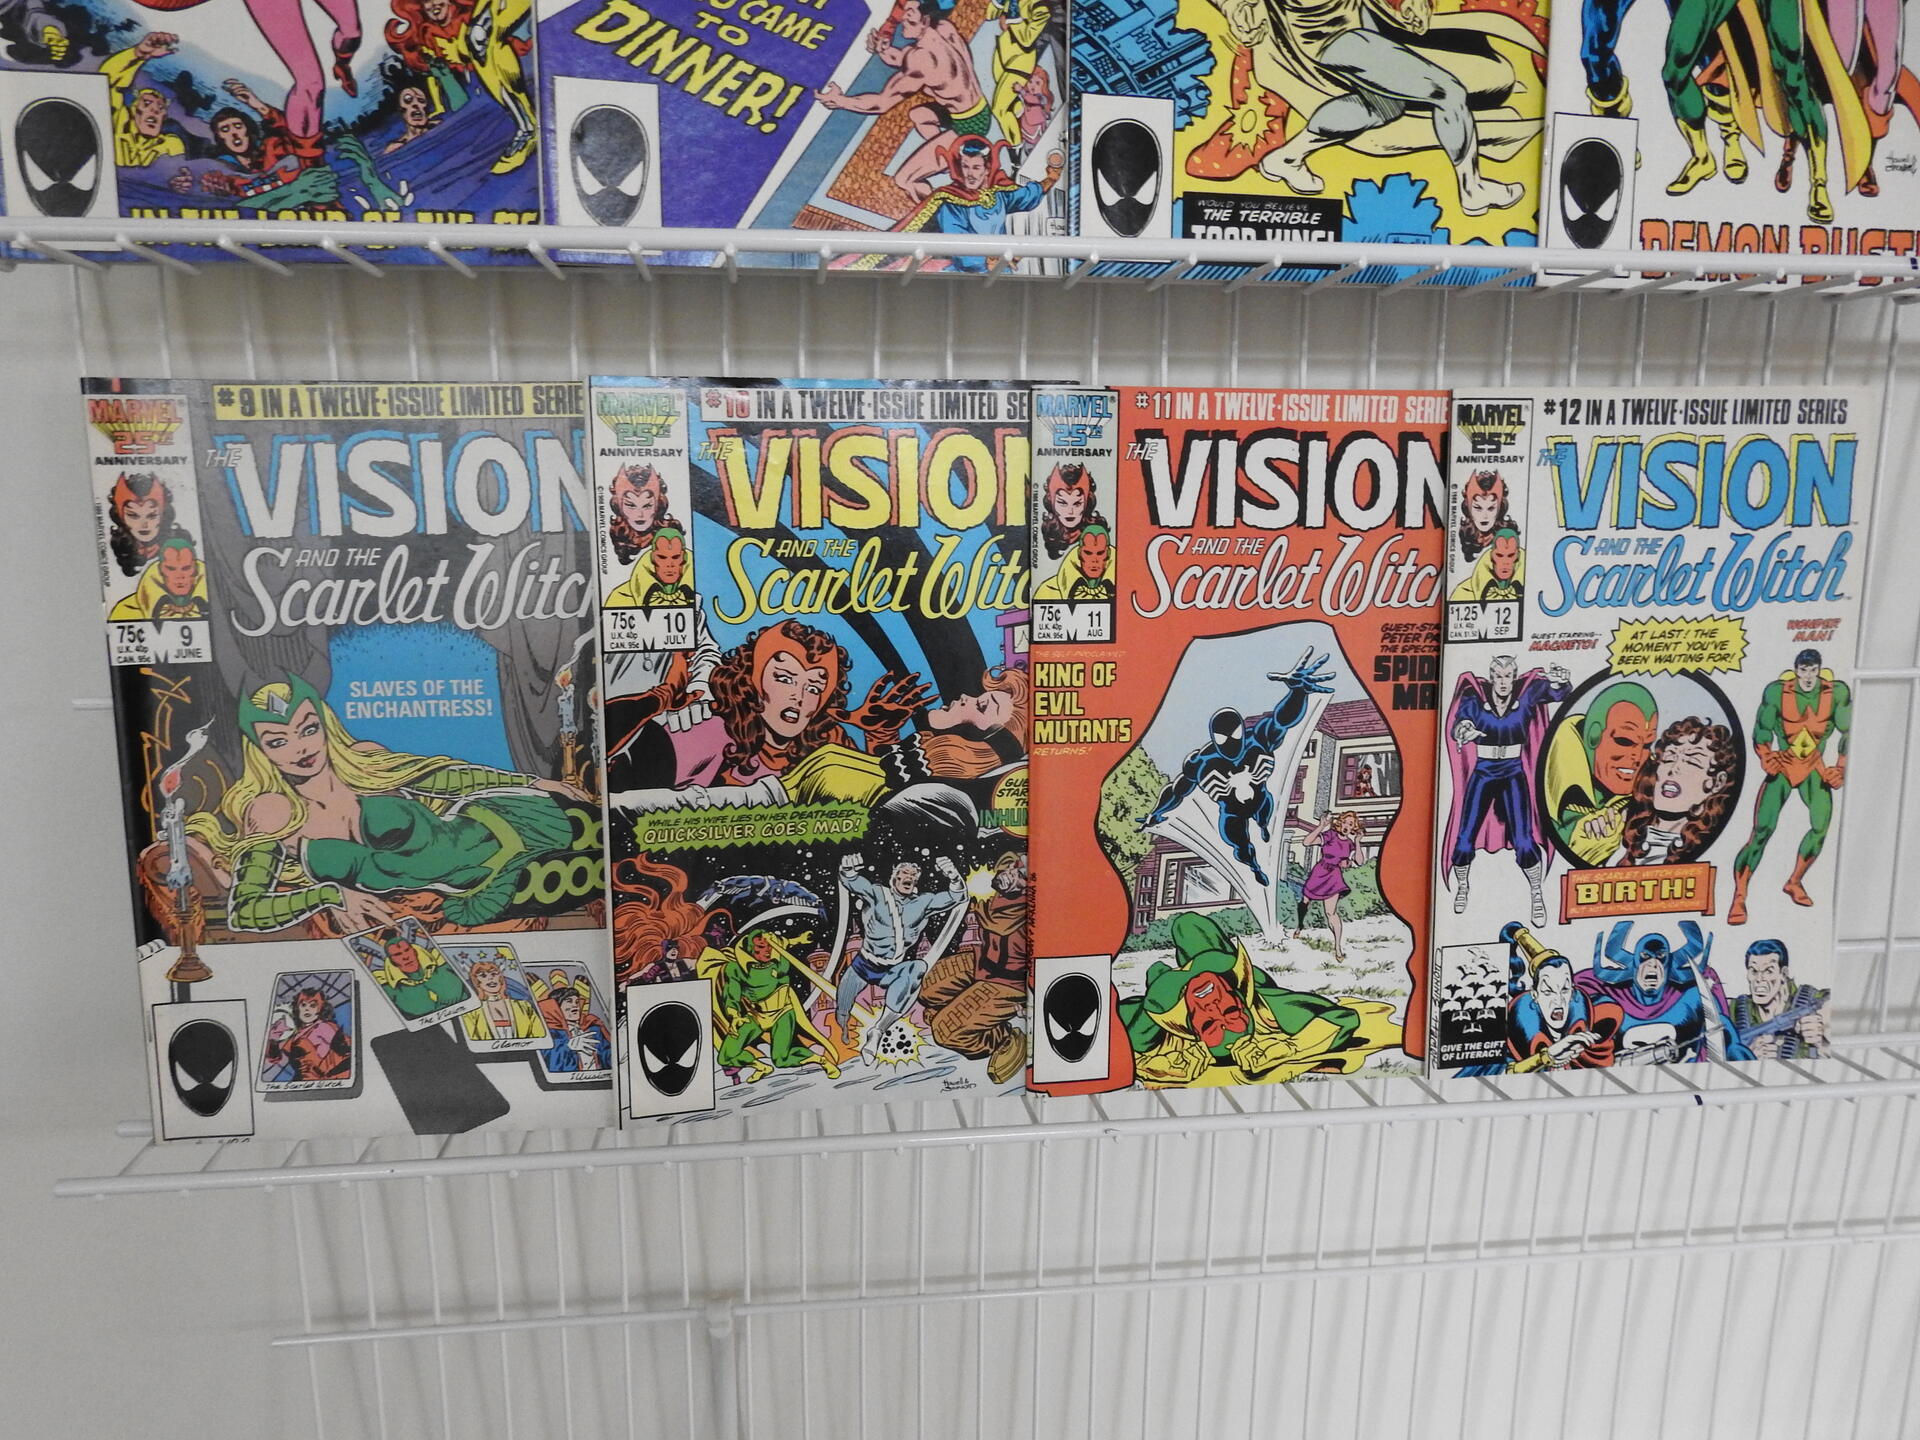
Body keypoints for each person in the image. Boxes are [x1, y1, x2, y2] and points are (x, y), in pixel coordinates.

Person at [181, 676, 588, 935]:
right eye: (278, 741)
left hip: (511, 823)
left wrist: (532, 782)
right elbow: (246, 911)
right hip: (482, 888)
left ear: (325, 725)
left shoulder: (364, 760)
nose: (300, 748)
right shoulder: (273, 810)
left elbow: (449, 777)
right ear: (260, 751)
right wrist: (328, 895)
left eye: (308, 729)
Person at [1121, 912, 1397, 1086]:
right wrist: (1291, 1047)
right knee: (1190, 927)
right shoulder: (1267, 1006)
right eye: (1230, 1013)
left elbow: (1130, 1037)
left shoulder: (1166, 1022)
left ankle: (1169, 975)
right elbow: (1343, 1018)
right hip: (1243, 977)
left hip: (1169, 999)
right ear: (1241, 1002)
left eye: (1210, 1024)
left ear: (1192, 1027)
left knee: (1170, 954)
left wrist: (1154, 1066)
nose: (1214, 1007)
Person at [1145, 652, 1337, 885]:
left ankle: (1263, 827)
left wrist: (1298, 693)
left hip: (1260, 799)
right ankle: (1254, 866)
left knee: (1263, 817)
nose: (1230, 743)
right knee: (1240, 844)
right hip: (1232, 812)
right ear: (1215, 738)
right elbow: (1177, 790)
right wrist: (1157, 812)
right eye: (1223, 738)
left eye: (1234, 735)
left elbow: (1282, 721)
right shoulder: (1202, 761)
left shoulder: (1258, 740)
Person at [814, 0, 992, 200]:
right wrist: (883, 49)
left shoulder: (923, 58)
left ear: (926, 20)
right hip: (980, 112)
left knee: (905, 180)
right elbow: (903, 59)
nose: (903, 18)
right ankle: (945, 162)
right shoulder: (944, 29)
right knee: (920, 115)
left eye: (910, 13)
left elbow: (881, 103)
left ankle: (937, 212)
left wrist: (841, 101)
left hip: (967, 128)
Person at [1443, 656, 1568, 925]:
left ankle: (1536, 893)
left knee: (1523, 840)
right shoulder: (1475, 697)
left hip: (1513, 771)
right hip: (1484, 771)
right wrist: (1464, 730)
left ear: (1513, 677)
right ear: (1491, 678)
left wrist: (1560, 681)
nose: (1503, 682)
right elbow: (1461, 722)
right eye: (1498, 676)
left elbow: (1558, 693)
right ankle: (1463, 886)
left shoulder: (1527, 694)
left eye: (1507, 676)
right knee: (1464, 838)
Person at [1729, 648, 1851, 924]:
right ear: (1796, 670)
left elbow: (1848, 731)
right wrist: (1766, 756)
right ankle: (1739, 895)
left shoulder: (1836, 693)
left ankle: (1794, 881)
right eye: (1803, 670)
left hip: (1814, 767)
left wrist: (1841, 768)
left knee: (1821, 826)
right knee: (1762, 831)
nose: (1808, 676)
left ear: (1819, 670)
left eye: (1813, 670)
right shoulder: (1776, 692)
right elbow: (1762, 730)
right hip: (1784, 765)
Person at [834, 853, 967, 1062]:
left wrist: (954, 876)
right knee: (842, 1012)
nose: (909, 877)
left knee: (917, 968)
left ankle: (877, 1031)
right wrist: (848, 869)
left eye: (913, 875)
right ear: (894, 878)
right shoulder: (877, 894)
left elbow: (957, 896)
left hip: (891, 969)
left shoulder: (923, 903)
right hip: (863, 966)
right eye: (905, 873)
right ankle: (843, 1031)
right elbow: (853, 882)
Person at [921, 849, 1031, 1082]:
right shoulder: (997, 896)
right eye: (1013, 867)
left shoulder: (1026, 909)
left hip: (1010, 983)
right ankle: (971, 1015)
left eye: (1021, 874)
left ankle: (1002, 1037)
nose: (1012, 873)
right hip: (984, 963)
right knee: (925, 984)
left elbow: (1000, 924)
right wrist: (953, 876)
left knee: (945, 1031)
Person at [1544, 681, 1657, 866]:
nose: (1637, 757)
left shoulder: (1655, 799)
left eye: (1646, 745)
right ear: (1593, 736)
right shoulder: (1549, 794)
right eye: (1625, 741)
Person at [1614, 716, 1738, 865]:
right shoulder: (1620, 835)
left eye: (1692, 761)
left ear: (1717, 782)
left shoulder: (1716, 847)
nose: (1673, 769)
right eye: (1669, 758)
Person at [1730, 938, 1830, 1058]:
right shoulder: (1734, 1009)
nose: (1759, 979)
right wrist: (1748, 1056)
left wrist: (1821, 1043)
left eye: (1768, 971)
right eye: (1753, 971)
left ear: (1783, 973)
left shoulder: (1817, 1001)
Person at [1292, 810, 1364, 963]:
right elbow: (1306, 842)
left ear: (1353, 827)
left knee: (1331, 913)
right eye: (1344, 822)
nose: (1346, 826)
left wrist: (1358, 842)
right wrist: (1321, 826)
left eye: (1350, 824)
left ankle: (1337, 947)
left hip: (1334, 877)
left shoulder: (1350, 844)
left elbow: (1359, 861)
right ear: (1340, 823)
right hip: (1319, 873)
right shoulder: (1330, 835)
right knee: (1305, 901)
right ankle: (1299, 926)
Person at [365, 927, 468, 1018]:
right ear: (391, 961)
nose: (405, 957)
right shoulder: (389, 989)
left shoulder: (442, 964)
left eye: (407, 950)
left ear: (414, 951)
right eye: (397, 954)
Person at [262, 984, 353, 1080]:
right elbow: (274, 1058)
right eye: (303, 1005)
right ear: (297, 1008)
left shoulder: (324, 1027)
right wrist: (273, 1040)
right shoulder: (295, 1035)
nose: (307, 1009)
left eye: (312, 1005)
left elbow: (347, 1052)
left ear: (321, 1009)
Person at [108, 535, 209, 621]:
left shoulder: (215, 602)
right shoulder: (127, 608)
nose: (179, 576)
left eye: (186, 568)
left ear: (196, 569)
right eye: (171, 569)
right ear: (160, 570)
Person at [105, 471, 185, 577]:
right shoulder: (119, 548)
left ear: (163, 516)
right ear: (121, 518)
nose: (144, 525)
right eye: (133, 516)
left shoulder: (179, 545)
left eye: (152, 515)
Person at [459, 956, 546, 1042]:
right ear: (476, 982)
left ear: (500, 978)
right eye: (483, 975)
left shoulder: (524, 1006)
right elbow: (471, 1041)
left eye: (494, 974)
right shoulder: (471, 1012)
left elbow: (540, 1037)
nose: (490, 978)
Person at [1456, 469, 1511, 566]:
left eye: (1491, 508)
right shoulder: (1465, 535)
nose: (1484, 516)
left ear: (1500, 509)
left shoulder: (1507, 536)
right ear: (1468, 508)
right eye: (1478, 508)